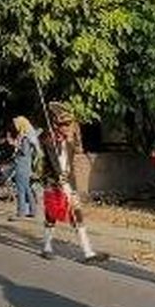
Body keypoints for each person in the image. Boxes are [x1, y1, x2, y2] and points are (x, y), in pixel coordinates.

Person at [40, 101, 102, 263]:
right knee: (51, 216)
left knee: (77, 215)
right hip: (53, 183)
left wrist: (75, 135)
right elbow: (53, 162)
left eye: (69, 124)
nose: (67, 128)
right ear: (55, 125)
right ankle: (46, 246)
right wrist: (59, 176)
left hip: (69, 183)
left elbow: (75, 154)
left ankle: (88, 252)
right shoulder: (48, 141)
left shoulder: (70, 141)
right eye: (64, 125)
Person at [9, 116, 39, 219]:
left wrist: (15, 145)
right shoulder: (25, 137)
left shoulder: (25, 138)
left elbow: (25, 152)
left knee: (21, 189)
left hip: (22, 166)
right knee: (27, 189)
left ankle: (21, 212)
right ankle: (32, 210)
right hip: (24, 166)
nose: (15, 127)